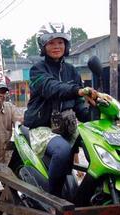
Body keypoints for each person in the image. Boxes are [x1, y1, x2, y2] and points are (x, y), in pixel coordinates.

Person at [23, 22, 98, 197]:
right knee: (62, 150)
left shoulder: (72, 71)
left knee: (97, 142)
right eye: (51, 42)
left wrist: (95, 111)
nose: (56, 46)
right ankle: (54, 198)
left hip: (67, 126)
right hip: (42, 128)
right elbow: (51, 87)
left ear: (66, 45)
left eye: (60, 42)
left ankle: (92, 192)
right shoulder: (37, 70)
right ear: (43, 46)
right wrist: (76, 90)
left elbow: (80, 107)